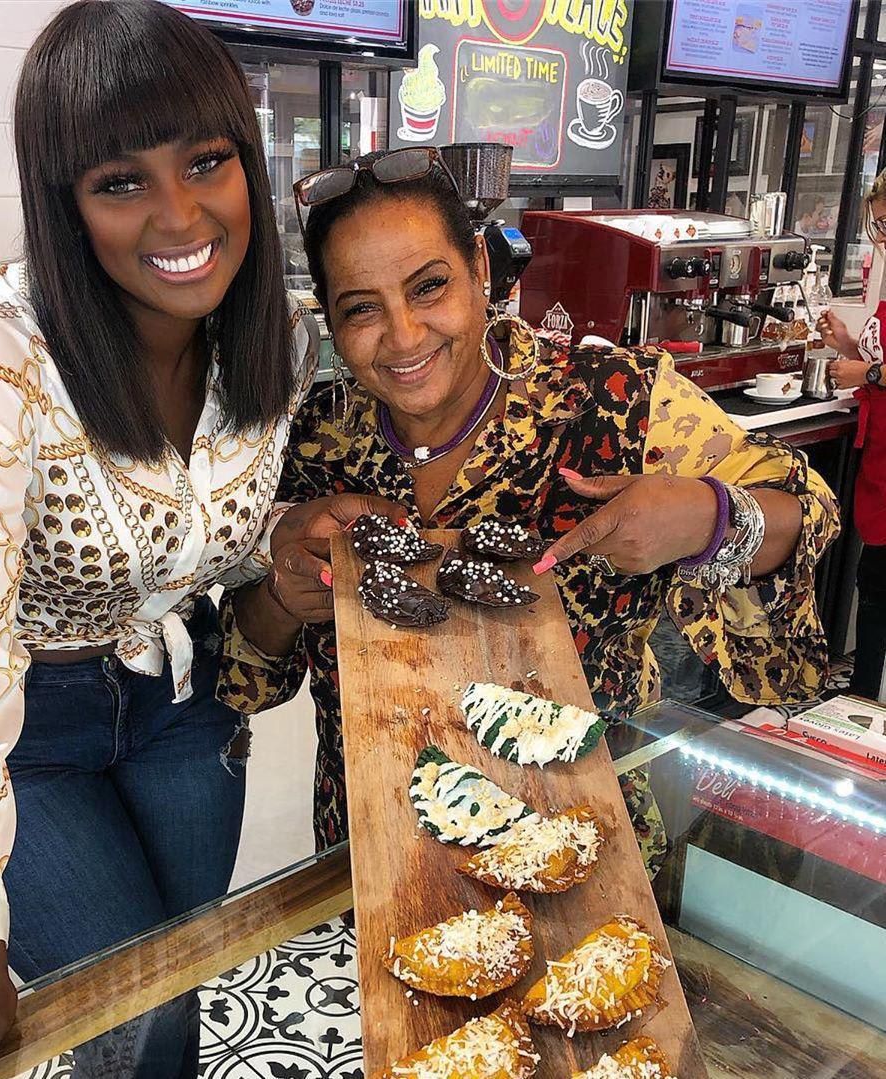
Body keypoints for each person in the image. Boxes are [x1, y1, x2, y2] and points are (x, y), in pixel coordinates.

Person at [0, 4, 389, 1079]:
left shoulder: (267, 339)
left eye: (206, 162)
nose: (181, 214)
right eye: (119, 180)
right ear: (65, 203)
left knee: (171, 986)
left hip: (186, 710)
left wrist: (285, 536)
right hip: (32, 730)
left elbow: (200, 545)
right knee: (142, 1029)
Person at [218, 148, 840, 861]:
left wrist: (709, 517)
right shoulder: (312, 442)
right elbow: (246, 677)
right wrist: (279, 593)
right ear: (327, 315)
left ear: (482, 270)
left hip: (583, 839)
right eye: (362, 308)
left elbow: (807, 511)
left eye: (428, 287)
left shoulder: (616, 401)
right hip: (377, 849)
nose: (403, 335)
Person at [818, 168, 886, 700]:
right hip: (878, 456)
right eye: (878, 226)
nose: (881, 238)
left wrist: (866, 375)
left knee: (881, 588)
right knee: (875, 584)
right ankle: (860, 701)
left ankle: (864, 705)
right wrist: (847, 347)